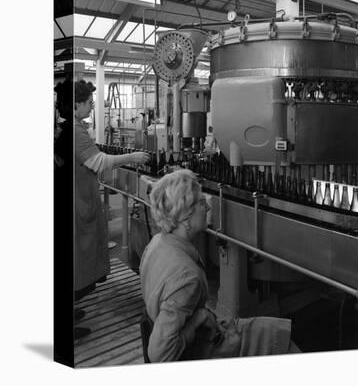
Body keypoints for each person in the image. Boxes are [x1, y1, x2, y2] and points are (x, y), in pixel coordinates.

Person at [139, 168, 299, 362]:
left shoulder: (156, 243)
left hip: (201, 332)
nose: (207, 207)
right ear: (185, 218)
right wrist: (199, 319)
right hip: (201, 350)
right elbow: (159, 355)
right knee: (280, 340)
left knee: (273, 330)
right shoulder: (186, 278)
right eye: (201, 202)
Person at [54, 78, 150, 339]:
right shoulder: (74, 132)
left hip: (77, 200)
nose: (91, 107)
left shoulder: (68, 128)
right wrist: (133, 157)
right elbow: (98, 161)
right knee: (74, 261)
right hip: (76, 205)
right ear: (75, 105)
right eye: (87, 103)